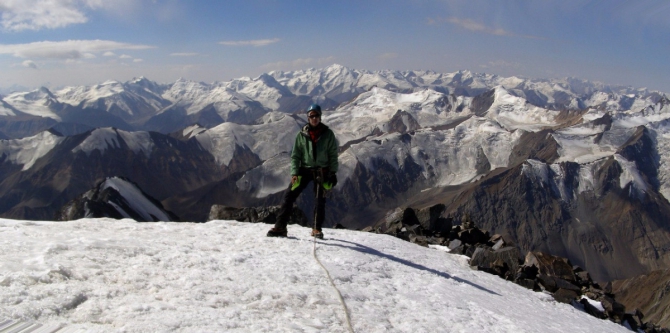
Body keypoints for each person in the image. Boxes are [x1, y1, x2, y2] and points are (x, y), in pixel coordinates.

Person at [267, 104, 338, 239]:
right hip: (304, 170)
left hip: (321, 171)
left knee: (319, 200)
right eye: (312, 116)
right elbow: (296, 155)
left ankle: (316, 229)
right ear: (308, 117)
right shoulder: (302, 135)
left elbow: (333, 155)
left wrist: (332, 172)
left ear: (320, 116)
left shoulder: (328, 134)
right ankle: (280, 226)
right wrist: (294, 173)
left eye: (316, 115)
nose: (314, 118)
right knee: (289, 196)